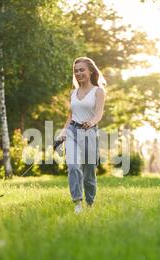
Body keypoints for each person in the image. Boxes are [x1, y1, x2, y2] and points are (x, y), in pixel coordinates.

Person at [57, 57, 106, 214]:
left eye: (81, 70)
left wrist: (91, 122)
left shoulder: (98, 91)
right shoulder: (72, 93)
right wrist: (64, 131)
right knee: (73, 167)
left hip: (90, 134)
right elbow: (70, 116)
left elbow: (99, 114)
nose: (78, 73)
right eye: (76, 71)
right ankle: (77, 202)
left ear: (90, 71)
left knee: (89, 173)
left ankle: (90, 203)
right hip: (72, 131)